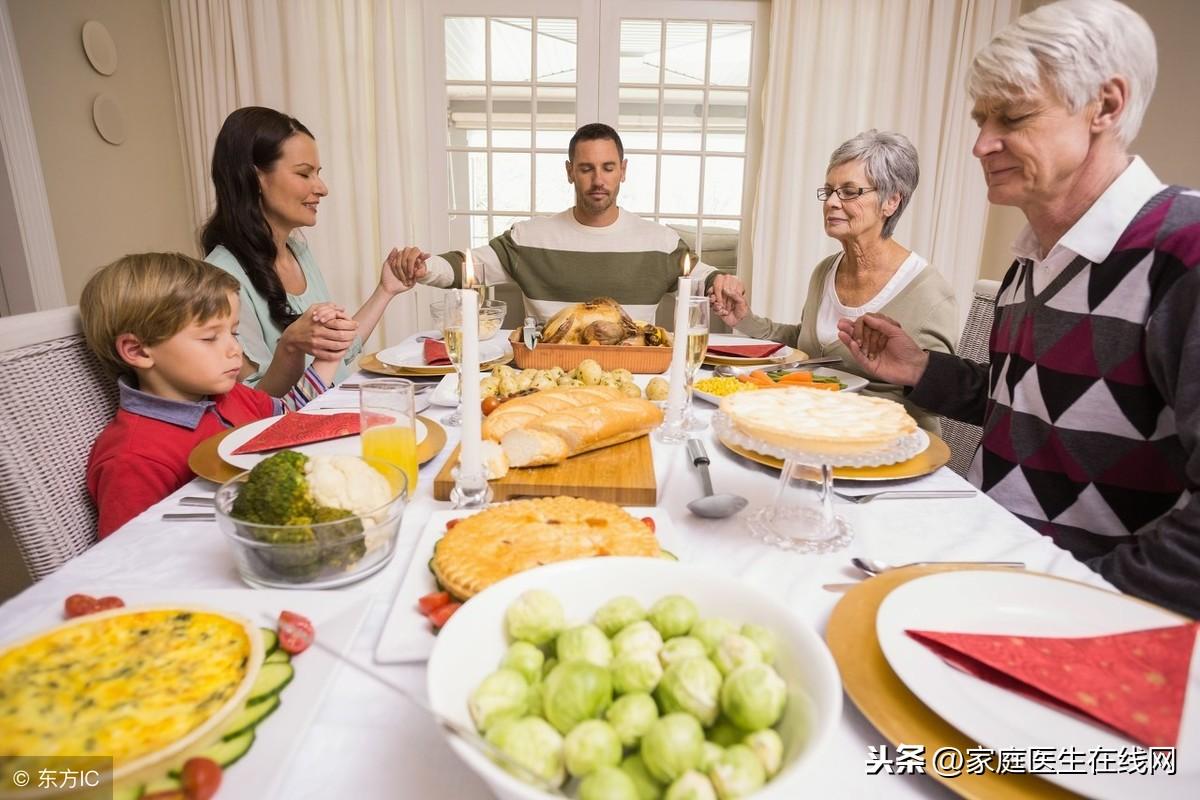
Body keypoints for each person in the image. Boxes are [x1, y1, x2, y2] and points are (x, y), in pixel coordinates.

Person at [838, 0, 1200, 617]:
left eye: (1013, 116)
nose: (981, 144)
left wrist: (1066, 595)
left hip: (1083, 616)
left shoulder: (1184, 252)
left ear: (1105, 107)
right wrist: (921, 370)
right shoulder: (1032, 258)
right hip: (989, 567)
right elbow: (1028, 404)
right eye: (981, 118)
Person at [708, 130, 956, 431]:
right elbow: (805, 343)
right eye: (829, 191)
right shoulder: (826, 270)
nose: (832, 203)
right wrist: (745, 320)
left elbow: (940, 397)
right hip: (810, 431)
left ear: (891, 201)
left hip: (885, 448)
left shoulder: (928, 293)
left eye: (850, 192)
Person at [394, 123, 720, 323]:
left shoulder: (660, 242)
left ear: (623, 170)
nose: (598, 180)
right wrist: (424, 267)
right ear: (569, 171)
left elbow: (707, 280)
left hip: (635, 381)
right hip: (546, 379)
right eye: (586, 168)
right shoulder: (528, 238)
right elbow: (467, 267)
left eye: (607, 168)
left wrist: (725, 283)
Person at [202, 106, 409, 409]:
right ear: (254, 177)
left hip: (341, 412)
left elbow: (339, 353)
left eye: (318, 174)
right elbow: (253, 407)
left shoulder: (297, 251)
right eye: (304, 173)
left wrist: (385, 290)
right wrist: (290, 345)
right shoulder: (220, 278)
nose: (321, 188)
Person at [81, 253, 283, 538]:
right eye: (209, 338)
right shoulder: (134, 459)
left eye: (234, 333)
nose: (235, 350)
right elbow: (128, 558)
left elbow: (291, 426)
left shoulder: (229, 394)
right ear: (138, 351)